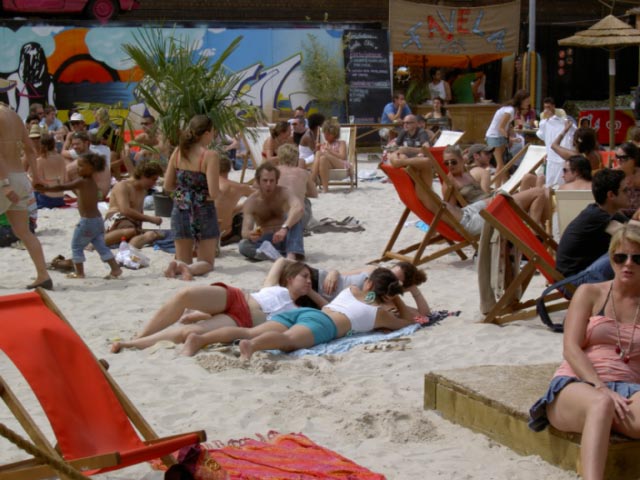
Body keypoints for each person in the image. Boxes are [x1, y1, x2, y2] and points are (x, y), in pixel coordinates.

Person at [529, 223, 640, 480]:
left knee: (605, 408)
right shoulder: (590, 293)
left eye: (637, 258)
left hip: (629, 389)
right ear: (610, 259)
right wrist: (600, 386)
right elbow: (571, 348)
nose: (628, 264)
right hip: (579, 381)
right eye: (620, 257)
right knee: (600, 404)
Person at [180, 267, 416, 358]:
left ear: (368, 283)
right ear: (388, 294)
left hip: (304, 312)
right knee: (287, 341)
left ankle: (199, 339)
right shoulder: (379, 314)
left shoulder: (352, 289)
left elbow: (332, 303)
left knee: (247, 330)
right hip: (325, 324)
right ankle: (251, 348)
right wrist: (398, 300)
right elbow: (406, 322)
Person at [110, 261, 321, 353]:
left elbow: (330, 309)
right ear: (291, 277)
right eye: (304, 277)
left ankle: (132, 345)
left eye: (311, 279)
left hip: (242, 321)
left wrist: (310, 291)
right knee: (184, 295)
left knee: (189, 332)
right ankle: (140, 335)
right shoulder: (274, 286)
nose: (308, 281)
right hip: (236, 298)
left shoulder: (298, 311)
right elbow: (282, 260)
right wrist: (300, 267)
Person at [390, 145, 550, 236]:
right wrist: (399, 160)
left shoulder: (422, 188)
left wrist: (400, 155)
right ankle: (533, 236)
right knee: (540, 193)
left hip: (469, 212)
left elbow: (424, 162)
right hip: (468, 222)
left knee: (526, 190)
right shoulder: (424, 193)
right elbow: (426, 161)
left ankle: (531, 228)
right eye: (447, 163)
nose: (450, 166)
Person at [34, 153, 122, 280]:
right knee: (101, 246)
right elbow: (79, 193)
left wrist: (46, 188)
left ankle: (79, 273)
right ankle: (115, 269)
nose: (78, 168)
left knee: (76, 246)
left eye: (81, 166)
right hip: (98, 221)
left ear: (91, 168)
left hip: (87, 221)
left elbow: (63, 186)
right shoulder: (91, 182)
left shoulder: (82, 181)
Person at [0, 100, 52, 289]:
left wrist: (5, 184)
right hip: (21, 178)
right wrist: (36, 176)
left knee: (22, 231)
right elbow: (30, 149)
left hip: (3, 178)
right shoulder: (14, 116)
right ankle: (43, 274)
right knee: (23, 231)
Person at [268, 257, 430, 316]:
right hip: (319, 276)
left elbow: (424, 314)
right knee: (283, 263)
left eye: (395, 277)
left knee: (279, 300)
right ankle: (264, 292)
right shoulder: (373, 270)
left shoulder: (387, 297)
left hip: (317, 298)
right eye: (390, 270)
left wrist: (414, 290)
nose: (387, 273)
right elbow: (344, 273)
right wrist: (334, 272)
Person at [163, 114, 220, 281]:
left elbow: (167, 186)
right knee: (207, 262)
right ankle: (187, 269)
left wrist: (185, 194)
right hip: (202, 208)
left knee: (183, 258)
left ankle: (178, 265)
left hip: (180, 206)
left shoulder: (178, 152)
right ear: (207, 133)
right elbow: (214, 192)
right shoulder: (209, 156)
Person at [555, 169, 629, 287]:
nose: (630, 193)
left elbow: (633, 228)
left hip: (585, 274)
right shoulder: (595, 217)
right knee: (626, 252)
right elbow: (630, 235)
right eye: (625, 190)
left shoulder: (607, 213)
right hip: (572, 282)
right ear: (611, 195)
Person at [238, 162, 305, 261]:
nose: (268, 184)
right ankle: (274, 255)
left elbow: (299, 208)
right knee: (243, 245)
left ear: (276, 181)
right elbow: (245, 231)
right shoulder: (251, 202)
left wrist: (284, 229)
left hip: (285, 236)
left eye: (271, 181)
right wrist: (250, 234)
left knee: (295, 215)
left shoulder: (283, 193)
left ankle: (291, 255)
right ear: (258, 181)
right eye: (265, 181)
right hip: (266, 240)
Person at [103, 161, 164, 248]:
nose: (154, 183)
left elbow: (139, 211)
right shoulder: (123, 186)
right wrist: (150, 219)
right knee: (131, 231)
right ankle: (98, 242)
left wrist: (139, 226)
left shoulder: (143, 190)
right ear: (143, 176)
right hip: (115, 219)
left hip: (131, 223)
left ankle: (130, 249)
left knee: (153, 235)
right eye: (153, 179)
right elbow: (125, 210)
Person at [485, 89, 531, 180]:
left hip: (499, 136)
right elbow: (501, 127)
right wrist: (510, 139)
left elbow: (508, 125)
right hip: (495, 136)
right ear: (521, 100)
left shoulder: (512, 110)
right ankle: (497, 187)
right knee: (500, 164)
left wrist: (512, 135)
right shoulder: (510, 110)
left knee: (503, 164)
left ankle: (502, 185)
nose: (528, 103)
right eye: (527, 101)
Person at [216, 155, 255, 246]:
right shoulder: (238, 187)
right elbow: (261, 196)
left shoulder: (206, 184)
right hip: (225, 233)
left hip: (205, 233)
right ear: (229, 169)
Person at [277, 144, 316, 228]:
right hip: (298, 219)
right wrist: (300, 192)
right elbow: (314, 194)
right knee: (306, 201)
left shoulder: (271, 171)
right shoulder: (303, 173)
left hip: (276, 218)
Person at [537, 100, 573, 187]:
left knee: (561, 183)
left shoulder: (564, 121)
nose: (547, 110)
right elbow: (542, 136)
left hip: (562, 157)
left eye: (549, 107)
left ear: (553, 106)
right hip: (551, 158)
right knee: (550, 184)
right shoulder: (544, 122)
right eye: (545, 107)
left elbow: (572, 134)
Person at [311, 120, 348, 193]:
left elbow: (343, 157)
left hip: (341, 164)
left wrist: (330, 151)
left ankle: (312, 181)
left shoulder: (341, 143)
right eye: (325, 134)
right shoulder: (324, 145)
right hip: (328, 165)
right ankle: (325, 189)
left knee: (320, 154)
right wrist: (317, 149)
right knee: (322, 159)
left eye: (328, 134)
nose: (325, 136)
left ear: (335, 134)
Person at [34, 133, 67, 209]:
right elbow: (65, 179)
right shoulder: (61, 158)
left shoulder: (40, 160)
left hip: (47, 199)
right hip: (60, 198)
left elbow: (40, 184)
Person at [615, 142, 640, 217]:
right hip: (619, 215)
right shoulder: (614, 175)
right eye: (617, 157)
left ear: (634, 159)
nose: (619, 160)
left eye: (623, 158)